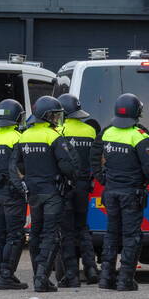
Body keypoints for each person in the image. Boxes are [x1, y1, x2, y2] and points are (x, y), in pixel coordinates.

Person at [90, 93, 149, 291]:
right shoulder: (139, 136)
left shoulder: (107, 133)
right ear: (136, 113)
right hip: (131, 193)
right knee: (131, 236)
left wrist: (104, 180)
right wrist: (141, 183)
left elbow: (94, 158)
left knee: (111, 234)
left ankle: (106, 278)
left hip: (110, 192)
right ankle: (125, 280)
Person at [10, 96, 78, 293]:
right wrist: (71, 178)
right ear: (47, 116)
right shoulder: (53, 136)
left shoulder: (24, 136)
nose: (57, 119)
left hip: (33, 192)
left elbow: (17, 164)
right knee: (51, 235)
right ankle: (42, 278)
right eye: (55, 115)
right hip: (51, 193)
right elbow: (67, 165)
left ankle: (37, 275)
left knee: (36, 234)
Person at [0, 99, 28, 291]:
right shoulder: (17, 137)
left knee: (0, 235)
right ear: (17, 117)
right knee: (15, 236)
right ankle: (6, 276)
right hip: (12, 193)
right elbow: (21, 166)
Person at [56, 93, 100, 287]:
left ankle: (71, 274)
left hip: (65, 186)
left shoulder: (58, 130)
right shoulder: (90, 131)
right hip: (83, 185)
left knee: (66, 231)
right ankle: (91, 269)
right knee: (82, 227)